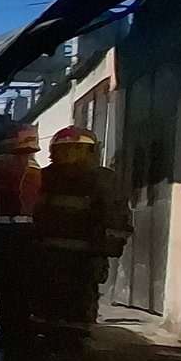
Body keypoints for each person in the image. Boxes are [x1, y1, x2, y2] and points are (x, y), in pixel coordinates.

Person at [31, 125, 131, 337]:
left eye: (76, 150)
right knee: (64, 305)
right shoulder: (45, 177)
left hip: (69, 257)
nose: (70, 156)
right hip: (65, 256)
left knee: (63, 306)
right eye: (66, 150)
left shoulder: (45, 177)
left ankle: (64, 339)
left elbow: (115, 218)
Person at [0, 123, 43, 341]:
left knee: (12, 286)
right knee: (6, 285)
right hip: (2, 233)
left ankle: (16, 331)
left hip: (15, 235)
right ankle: (12, 328)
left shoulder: (27, 174)